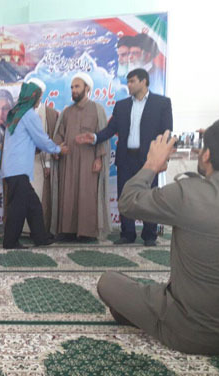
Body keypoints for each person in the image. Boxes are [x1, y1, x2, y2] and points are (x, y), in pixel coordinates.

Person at [97, 122, 219, 355]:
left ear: (207, 155)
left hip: (188, 333)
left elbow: (128, 202)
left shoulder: (188, 192)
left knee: (109, 282)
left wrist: (152, 165)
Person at [77, 68, 172, 246]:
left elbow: (167, 133)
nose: (128, 85)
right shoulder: (121, 106)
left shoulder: (162, 103)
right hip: (126, 158)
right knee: (125, 196)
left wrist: (164, 159)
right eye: (128, 82)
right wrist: (95, 137)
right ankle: (127, 233)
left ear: (143, 82)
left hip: (149, 160)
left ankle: (149, 235)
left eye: (132, 81)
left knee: (148, 197)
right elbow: (110, 129)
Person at [0, 81, 66, 249]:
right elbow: (41, 139)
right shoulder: (29, 115)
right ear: (33, 98)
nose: (39, 101)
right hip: (18, 169)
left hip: (12, 168)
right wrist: (58, 149)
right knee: (18, 207)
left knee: (33, 205)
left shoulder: (16, 113)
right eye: (39, 98)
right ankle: (10, 242)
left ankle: (40, 237)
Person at [52, 72, 111, 242]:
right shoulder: (67, 112)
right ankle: (67, 231)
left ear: (87, 88)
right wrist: (57, 149)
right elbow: (59, 134)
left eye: (77, 86)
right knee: (68, 194)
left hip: (88, 161)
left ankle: (87, 232)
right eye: (72, 87)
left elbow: (102, 135)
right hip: (68, 161)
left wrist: (99, 158)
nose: (74, 90)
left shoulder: (97, 110)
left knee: (87, 195)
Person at [28, 78, 59, 233]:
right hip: (22, 163)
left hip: (40, 165)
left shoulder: (50, 114)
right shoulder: (18, 113)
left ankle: (39, 230)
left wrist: (47, 164)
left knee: (39, 197)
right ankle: (24, 229)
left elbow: (51, 138)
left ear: (41, 95)